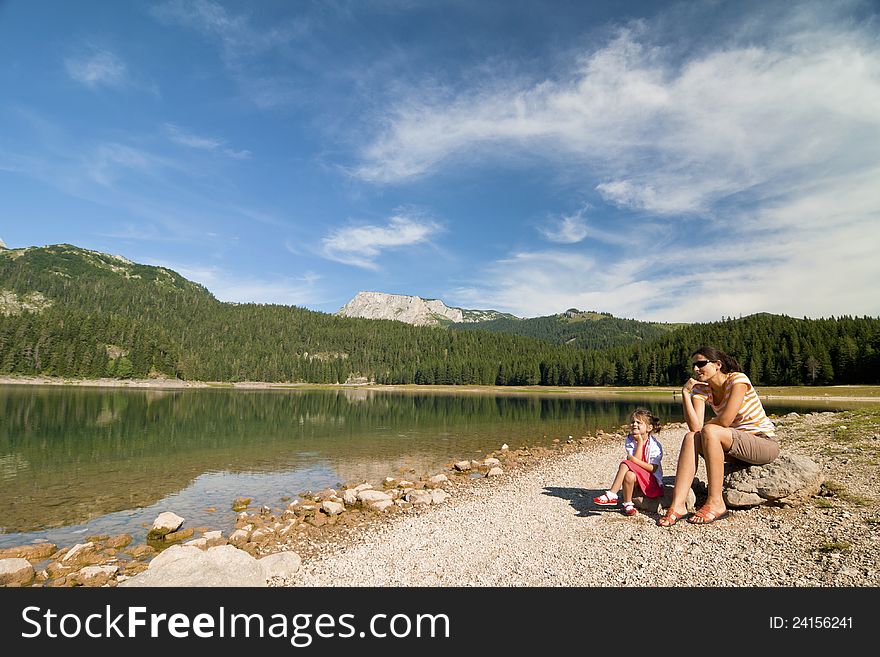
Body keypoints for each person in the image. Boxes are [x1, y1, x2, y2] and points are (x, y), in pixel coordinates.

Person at [658, 346, 779, 527]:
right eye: (693, 366)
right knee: (691, 437)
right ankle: (678, 505)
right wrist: (685, 394)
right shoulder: (702, 389)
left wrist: (707, 428)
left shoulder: (737, 379)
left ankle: (716, 502)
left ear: (718, 365)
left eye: (700, 364)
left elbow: (725, 420)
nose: (696, 369)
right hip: (734, 447)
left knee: (709, 431)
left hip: (762, 444)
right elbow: (695, 427)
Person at [593, 408, 664, 517]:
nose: (634, 425)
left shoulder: (655, 446)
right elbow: (634, 464)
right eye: (632, 422)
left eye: (639, 423)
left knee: (625, 463)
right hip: (638, 478)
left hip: (651, 480)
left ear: (649, 428)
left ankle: (612, 494)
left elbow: (652, 469)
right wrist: (639, 442)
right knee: (629, 475)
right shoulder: (630, 439)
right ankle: (628, 504)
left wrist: (634, 459)